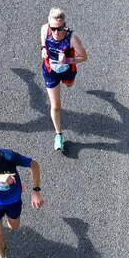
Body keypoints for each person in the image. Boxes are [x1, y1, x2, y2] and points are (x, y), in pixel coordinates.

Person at [40, 8, 88, 151]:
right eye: (53, 28)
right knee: (55, 105)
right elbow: (43, 37)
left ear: (65, 24)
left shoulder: (72, 38)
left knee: (69, 85)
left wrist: (67, 60)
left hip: (67, 71)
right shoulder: (45, 29)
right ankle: (59, 135)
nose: (55, 32)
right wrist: (43, 48)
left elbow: (84, 57)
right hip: (50, 72)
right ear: (49, 25)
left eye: (59, 28)